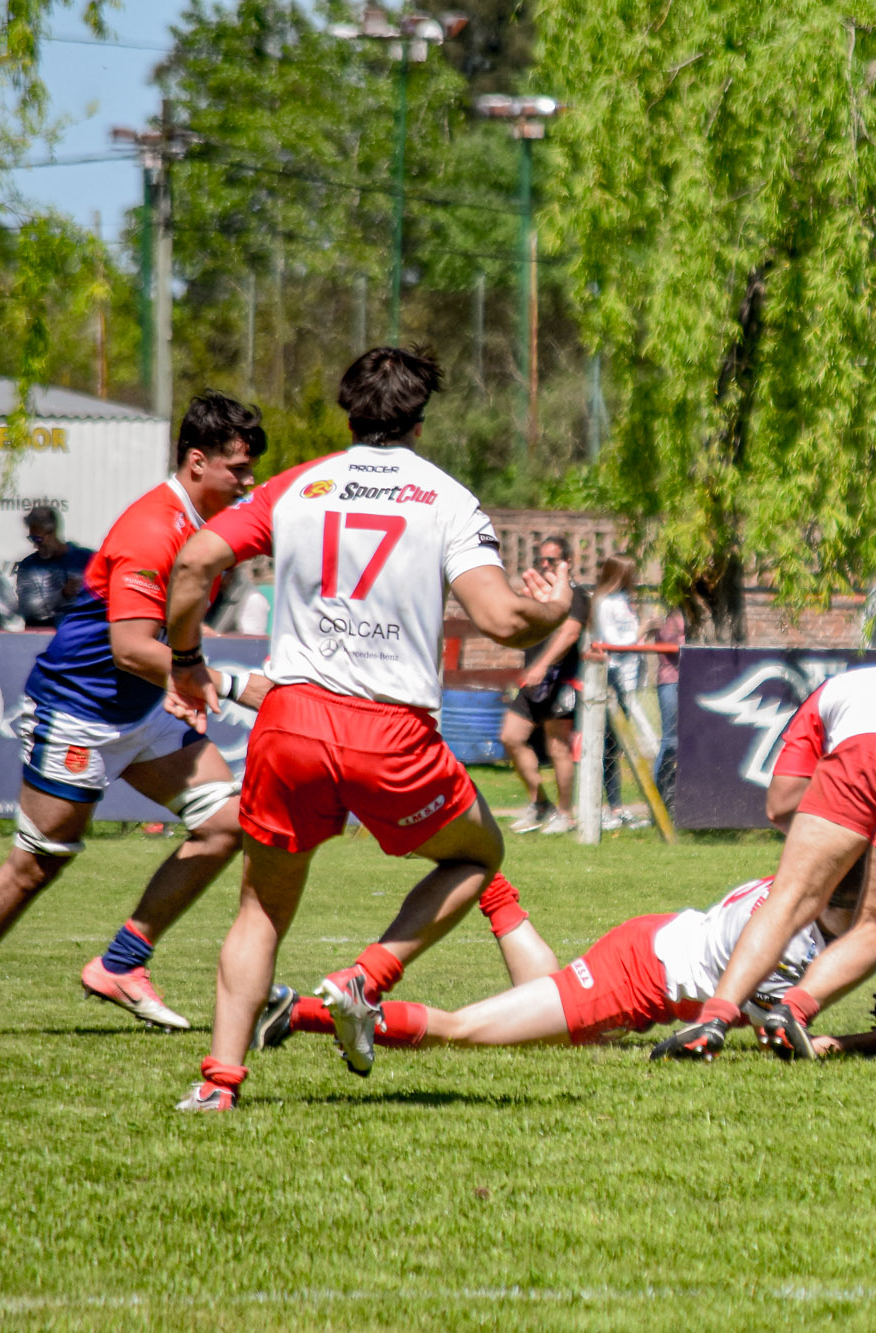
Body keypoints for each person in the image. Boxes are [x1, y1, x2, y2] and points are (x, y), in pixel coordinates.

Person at [162, 345, 574, 1112]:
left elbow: (192, 563)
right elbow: (502, 618)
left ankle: (218, 1083)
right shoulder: (445, 496)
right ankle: (365, 978)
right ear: (420, 420)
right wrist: (553, 607)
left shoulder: (298, 486)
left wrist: (186, 659)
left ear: (349, 415)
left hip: (289, 722)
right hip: (391, 733)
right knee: (479, 853)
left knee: (260, 908)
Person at [0, 393, 267, 1037]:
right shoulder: (155, 530)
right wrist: (234, 684)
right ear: (197, 462)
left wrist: (178, 684)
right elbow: (128, 646)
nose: (249, 481)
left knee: (226, 824)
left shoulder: (202, 531)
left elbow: (167, 636)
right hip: (77, 711)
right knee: (39, 861)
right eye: (238, 468)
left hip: (142, 711)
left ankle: (122, 964)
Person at [648, 663, 876, 1061]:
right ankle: (794, 1012)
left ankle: (714, 1019)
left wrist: (842, 842)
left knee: (788, 901)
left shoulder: (846, 683)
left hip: (860, 747)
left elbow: (780, 804)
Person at [251, 865, 876, 1058]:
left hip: (651, 947)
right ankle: (301, 1012)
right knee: (463, 1031)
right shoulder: (792, 947)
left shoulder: (800, 887)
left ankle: (494, 889)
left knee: (571, 1038)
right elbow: (787, 1041)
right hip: (634, 976)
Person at [500, 535, 590, 835]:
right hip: (532, 682)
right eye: (542, 560)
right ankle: (540, 804)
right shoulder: (539, 595)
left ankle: (565, 814)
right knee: (511, 737)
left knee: (557, 747)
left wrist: (542, 665)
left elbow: (569, 634)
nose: (545, 565)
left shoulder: (574, 595)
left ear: (568, 562)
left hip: (559, 679)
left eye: (552, 560)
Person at [585, 555, 645, 828]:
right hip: (613, 677)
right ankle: (601, 808)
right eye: (630, 573)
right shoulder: (603, 602)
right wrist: (645, 628)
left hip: (630, 678)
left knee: (615, 747)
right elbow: (613, 640)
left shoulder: (622, 601)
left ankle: (616, 807)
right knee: (608, 745)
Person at [13, 506, 93, 628]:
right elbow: (29, 609)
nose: (35, 545)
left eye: (38, 539)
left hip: (82, 631)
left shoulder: (87, 559)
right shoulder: (28, 566)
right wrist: (62, 595)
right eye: (31, 539)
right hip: (42, 636)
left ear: (53, 532)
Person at [653, 604, 685, 806]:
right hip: (671, 681)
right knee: (671, 740)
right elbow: (670, 641)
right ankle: (659, 795)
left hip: (692, 680)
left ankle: (678, 793)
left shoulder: (692, 613)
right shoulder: (665, 614)